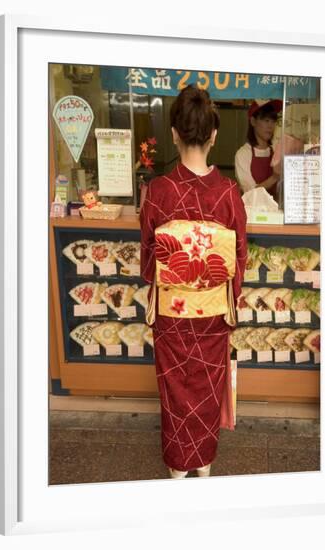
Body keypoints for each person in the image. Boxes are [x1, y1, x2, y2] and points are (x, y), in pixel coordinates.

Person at [139, 84, 247, 479]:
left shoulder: (157, 193)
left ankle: (177, 469)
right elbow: (239, 260)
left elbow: (149, 262)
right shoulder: (229, 193)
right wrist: (220, 289)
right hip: (214, 312)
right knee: (205, 389)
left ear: (174, 133)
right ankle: (202, 465)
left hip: (171, 313)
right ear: (214, 135)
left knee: (175, 393)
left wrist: (177, 272)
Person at [234, 99, 283, 202]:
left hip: (276, 212)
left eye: (273, 121)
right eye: (266, 120)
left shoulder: (276, 150)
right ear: (253, 121)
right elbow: (250, 192)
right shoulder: (243, 154)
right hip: (253, 214)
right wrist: (274, 177)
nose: (270, 126)